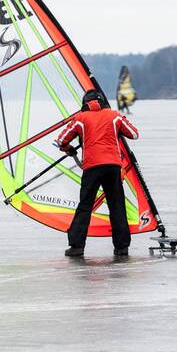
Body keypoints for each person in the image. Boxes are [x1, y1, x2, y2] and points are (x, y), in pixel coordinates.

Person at [55, 89, 140, 257]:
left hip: (92, 167)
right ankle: (122, 247)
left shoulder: (80, 118)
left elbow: (61, 140)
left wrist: (69, 148)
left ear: (85, 103)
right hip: (113, 167)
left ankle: (77, 246)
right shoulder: (114, 115)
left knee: (85, 206)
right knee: (117, 206)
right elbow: (134, 134)